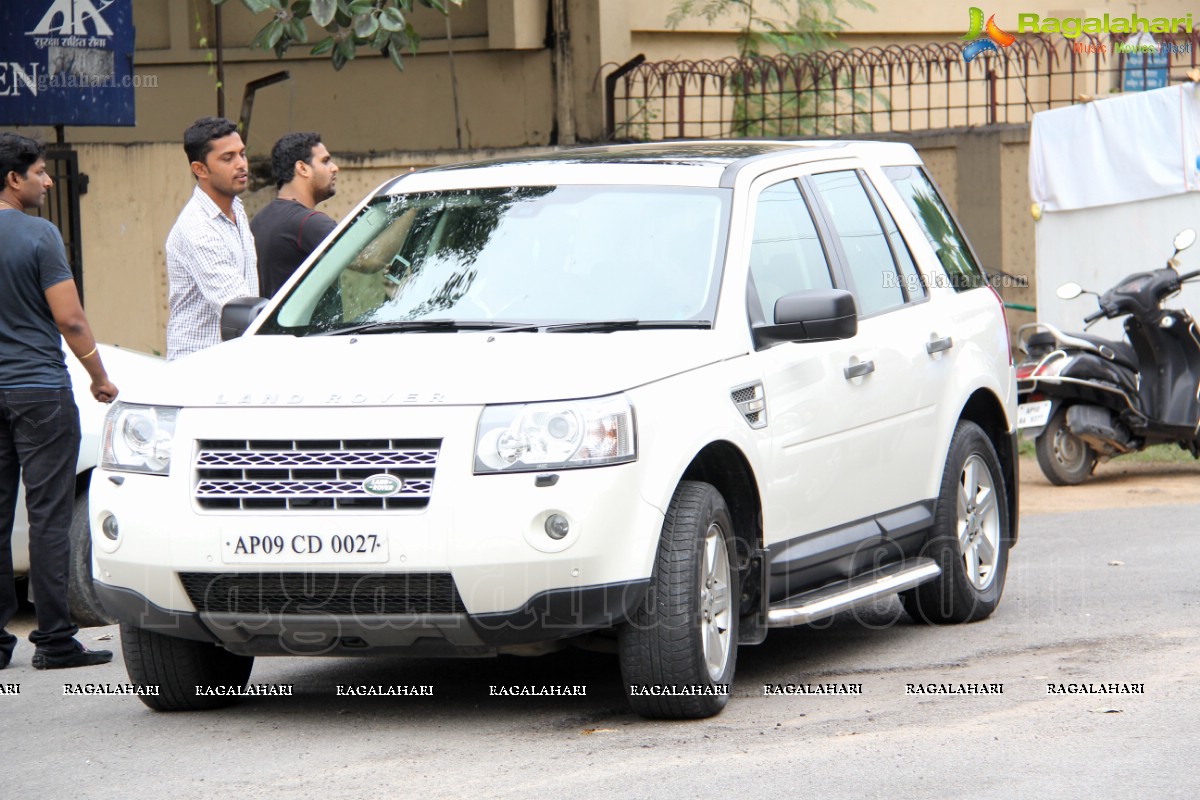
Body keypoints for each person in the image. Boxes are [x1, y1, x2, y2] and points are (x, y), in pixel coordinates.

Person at [0, 133, 119, 670]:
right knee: (48, 516)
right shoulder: (40, 235)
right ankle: (54, 642)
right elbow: (70, 319)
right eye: (41, 173)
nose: (48, 181)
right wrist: (100, 377)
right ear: (13, 179)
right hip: (39, 391)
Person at [165, 116, 258, 360]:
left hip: (231, 360)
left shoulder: (236, 206)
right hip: (199, 366)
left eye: (242, 154)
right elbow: (240, 308)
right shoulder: (197, 227)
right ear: (200, 169)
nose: (241, 164)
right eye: (228, 158)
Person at [252, 131, 340, 298]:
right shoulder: (309, 223)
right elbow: (371, 260)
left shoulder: (258, 221)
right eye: (325, 161)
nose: (335, 167)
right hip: (307, 325)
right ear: (302, 168)